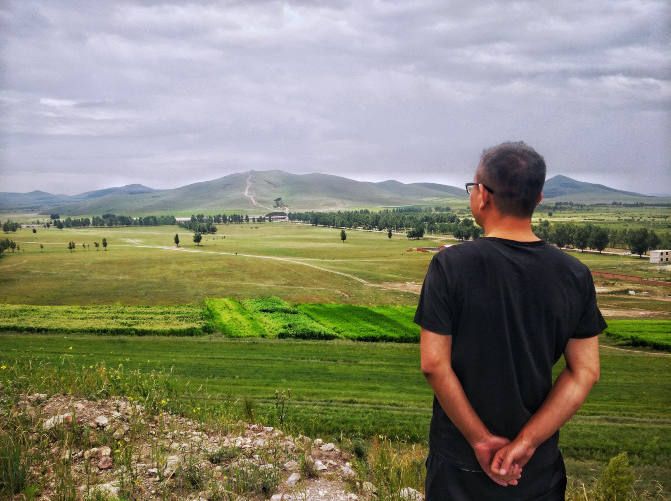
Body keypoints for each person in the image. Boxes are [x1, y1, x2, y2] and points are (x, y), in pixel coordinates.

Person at [414, 142, 605, 500]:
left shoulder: (451, 267)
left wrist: (480, 439)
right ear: (539, 198)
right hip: (535, 471)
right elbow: (585, 371)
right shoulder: (574, 275)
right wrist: (527, 442)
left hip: (459, 463)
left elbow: (433, 364)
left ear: (482, 196)